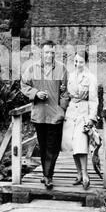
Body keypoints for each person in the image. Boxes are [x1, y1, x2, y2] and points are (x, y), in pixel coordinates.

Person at [20, 40, 68, 190]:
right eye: (47, 52)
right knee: (43, 146)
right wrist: (36, 93)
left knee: (53, 147)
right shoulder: (32, 68)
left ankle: (48, 176)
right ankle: (46, 173)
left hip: (55, 115)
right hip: (39, 114)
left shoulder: (61, 68)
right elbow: (24, 86)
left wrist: (62, 109)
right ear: (41, 53)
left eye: (52, 53)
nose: (49, 55)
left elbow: (65, 91)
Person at [61, 51, 98, 190]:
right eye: (76, 61)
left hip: (83, 112)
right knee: (73, 144)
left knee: (81, 144)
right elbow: (66, 94)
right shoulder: (70, 76)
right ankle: (78, 174)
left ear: (85, 62)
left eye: (80, 62)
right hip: (71, 112)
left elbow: (94, 100)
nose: (77, 64)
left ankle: (85, 174)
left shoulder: (90, 77)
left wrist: (91, 118)